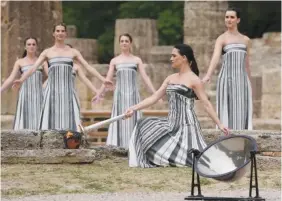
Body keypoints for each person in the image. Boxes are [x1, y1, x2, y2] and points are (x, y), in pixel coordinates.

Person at [124, 44, 229, 168]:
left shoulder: (194, 80)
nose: (171, 59)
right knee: (142, 124)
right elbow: (154, 97)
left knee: (198, 160)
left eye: (174, 56)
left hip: (186, 126)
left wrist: (220, 124)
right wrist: (133, 108)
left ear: (184, 58)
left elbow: (206, 104)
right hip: (171, 123)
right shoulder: (170, 78)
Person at [12, 23, 112, 131]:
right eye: (58, 31)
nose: (60, 33)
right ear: (53, 34)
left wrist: (103, 79)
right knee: (50, 124)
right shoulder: (47, 52)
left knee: (71, 124)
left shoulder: (73, 52)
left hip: (68, 92)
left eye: (62, 31)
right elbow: (33, 68)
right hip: (51, 93)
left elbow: (88, 67)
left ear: (66, 34)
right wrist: (21, 80)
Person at [94, 33, 160, 149]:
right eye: (122, 41)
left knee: (134, 118)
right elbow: (108, 80)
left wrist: (156, 94)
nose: (124, 43)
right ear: (119, 43)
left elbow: (145, 78)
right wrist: (99, 94)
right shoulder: (115, 61)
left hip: (133, 95)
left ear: (130, 43)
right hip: (120, 95)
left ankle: (135, 147)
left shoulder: (136, 60)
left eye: (126, 41)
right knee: (120, 119)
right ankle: (118, 146)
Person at [202, 7, 253, 130]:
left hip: (242, 80)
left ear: (238, 20)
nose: (229, 20)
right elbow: (215, 57)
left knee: (241, 110)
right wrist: (208, 75)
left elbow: (247, 63)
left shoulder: (246, 40)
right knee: (226, 110)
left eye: (232, 17)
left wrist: (249, 83)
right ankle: (225, 142)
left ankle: (242, 142)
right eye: (227, 17)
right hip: (226, 79)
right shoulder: (222, 38)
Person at [1, 37, 48, 130]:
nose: (31, 46)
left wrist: (44, 86)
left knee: (39, 121)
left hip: (39, 95)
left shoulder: (42, 61)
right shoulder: (20, 62)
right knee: (24, 120)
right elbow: (11, 78)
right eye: (29, 44)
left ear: (37, 47)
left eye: (33, 44)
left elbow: (51, 76)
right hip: (25, 94)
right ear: (25, 47)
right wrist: (1, 90)